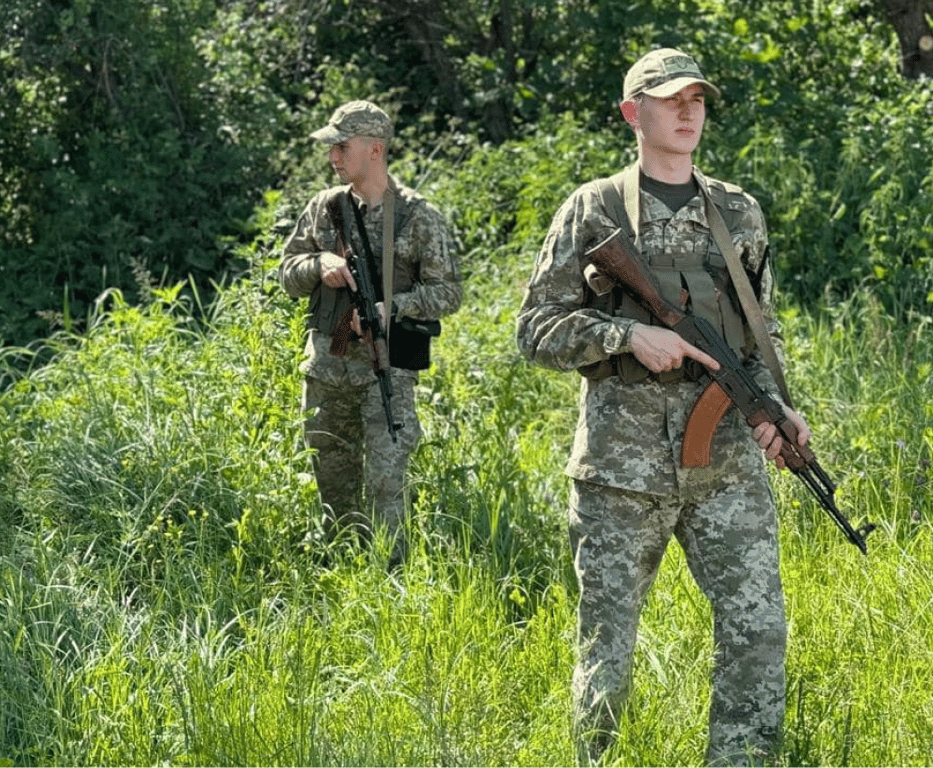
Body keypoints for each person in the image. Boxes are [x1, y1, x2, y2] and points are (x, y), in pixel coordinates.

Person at [515, 49, 811, 766]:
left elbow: (754, 331)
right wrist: (626, 334)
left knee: (757, 632)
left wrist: (778, 407)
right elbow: (535, 331)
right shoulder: (594, 209)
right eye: (671, 98)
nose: (687, 111)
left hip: (727, 468)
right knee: (607, 647)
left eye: (698, 100)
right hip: (621, 473)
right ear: (631, 112)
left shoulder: (737, 211)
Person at [279, 100, 462, 566]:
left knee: (386, 482)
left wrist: (391, 307)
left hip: (388, 372)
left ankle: (389, 576)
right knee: (330, 478)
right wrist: (319, 264)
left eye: (342, 146)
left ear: (374, 149)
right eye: (331, 148)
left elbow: (448, 293)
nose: (333, 157)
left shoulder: (418, 216)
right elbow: (287, 273)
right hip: (326, 366)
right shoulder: (325, 208)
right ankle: (341, 568)